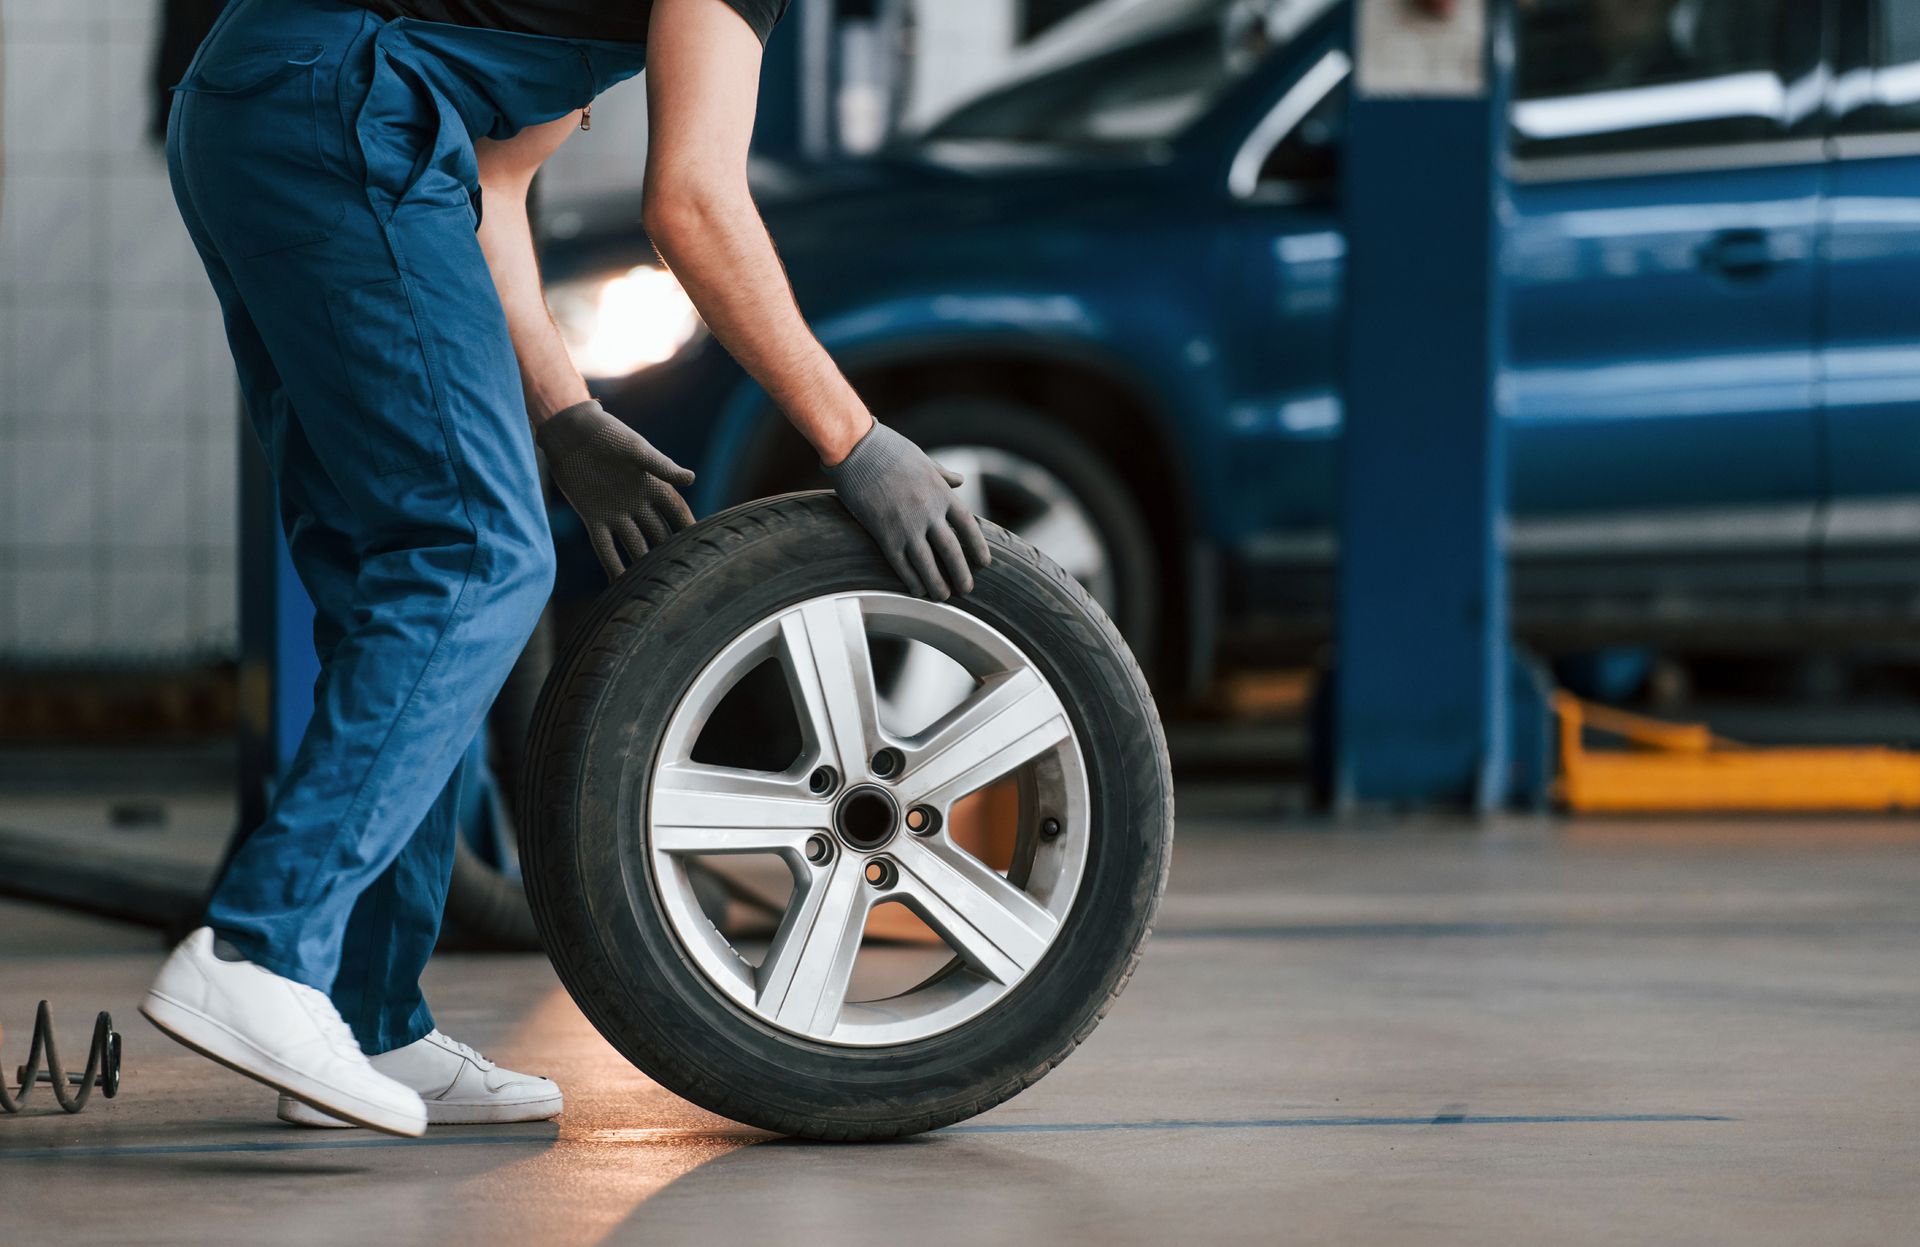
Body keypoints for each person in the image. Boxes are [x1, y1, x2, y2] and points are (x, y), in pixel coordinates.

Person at [141, 0, 990, 1138]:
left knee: (389, 570)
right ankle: (260, 946)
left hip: (259, 108)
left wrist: (564, 411)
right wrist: (854, 437)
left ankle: (368, 1008)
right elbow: (692, 204)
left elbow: (492, 180)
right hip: (334, 115)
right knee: (475, 556)